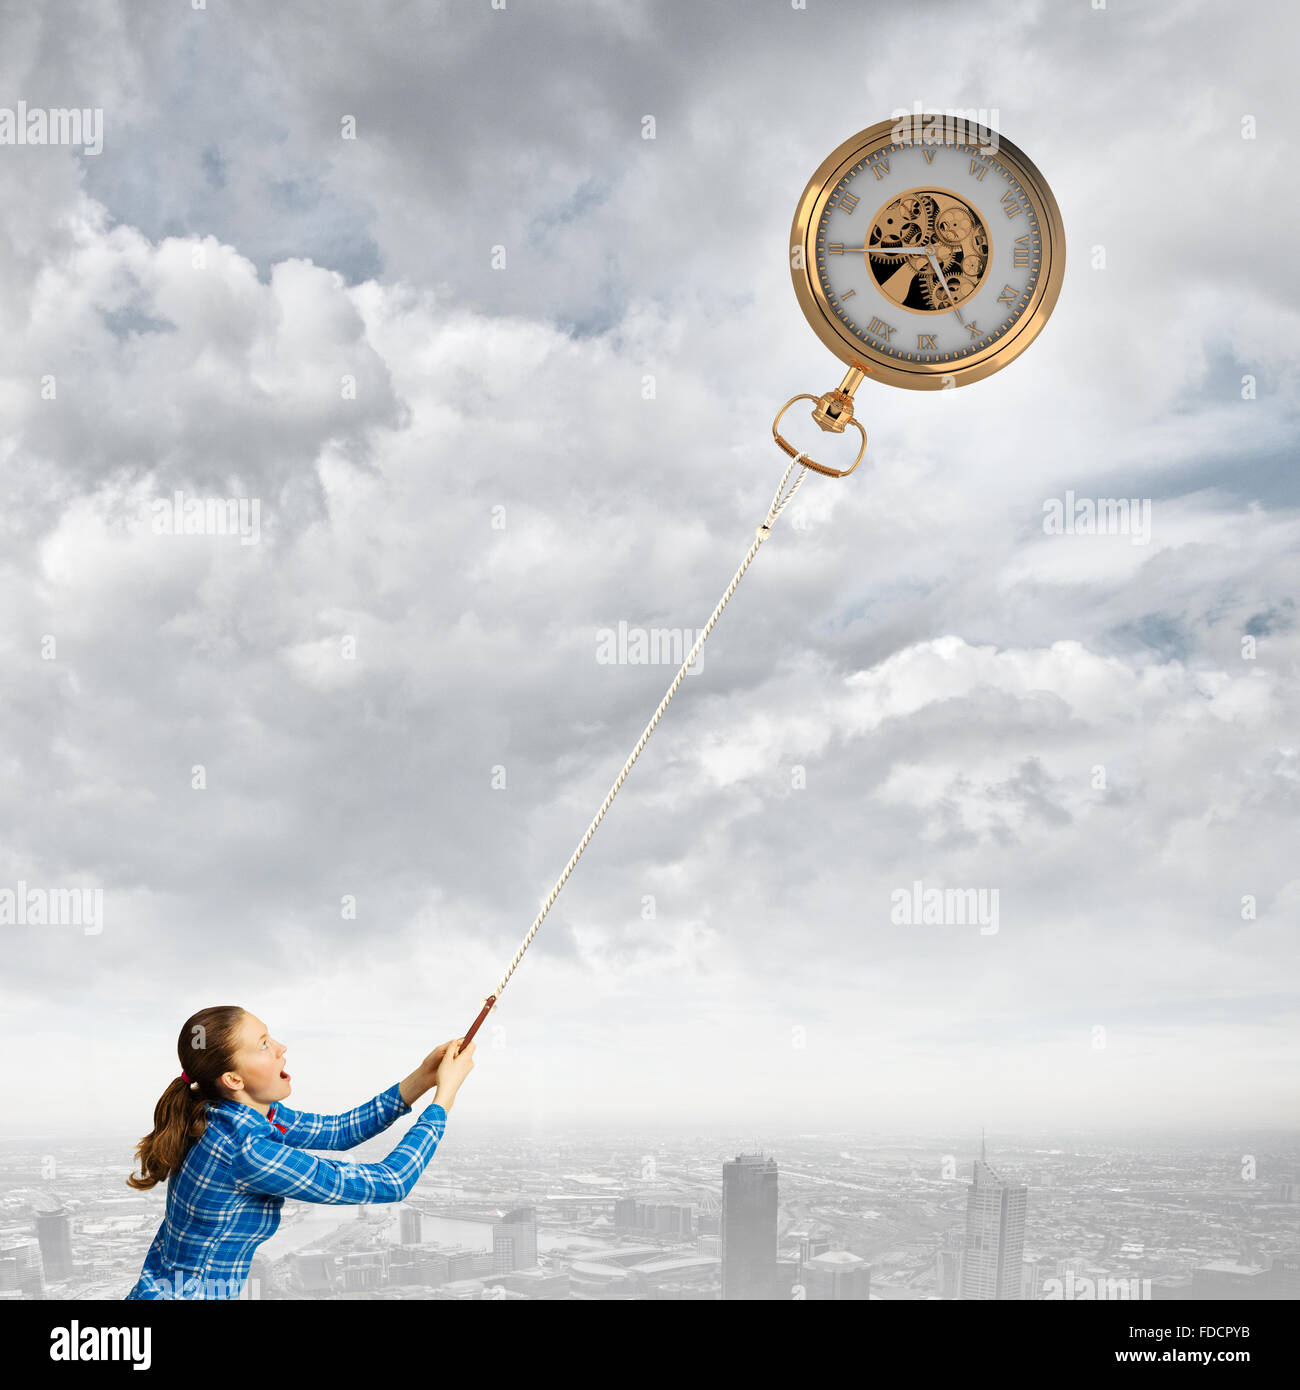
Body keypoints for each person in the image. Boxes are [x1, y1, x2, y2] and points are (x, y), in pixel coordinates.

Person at [124, 1004, 474, 1299]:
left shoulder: (215, 1111)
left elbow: (338, 1131)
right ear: (233, 1079)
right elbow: (392, 1182)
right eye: (263, 1045)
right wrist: (444, 1099)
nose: (281, 1047)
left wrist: (422, 1079)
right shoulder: (248, 1150)